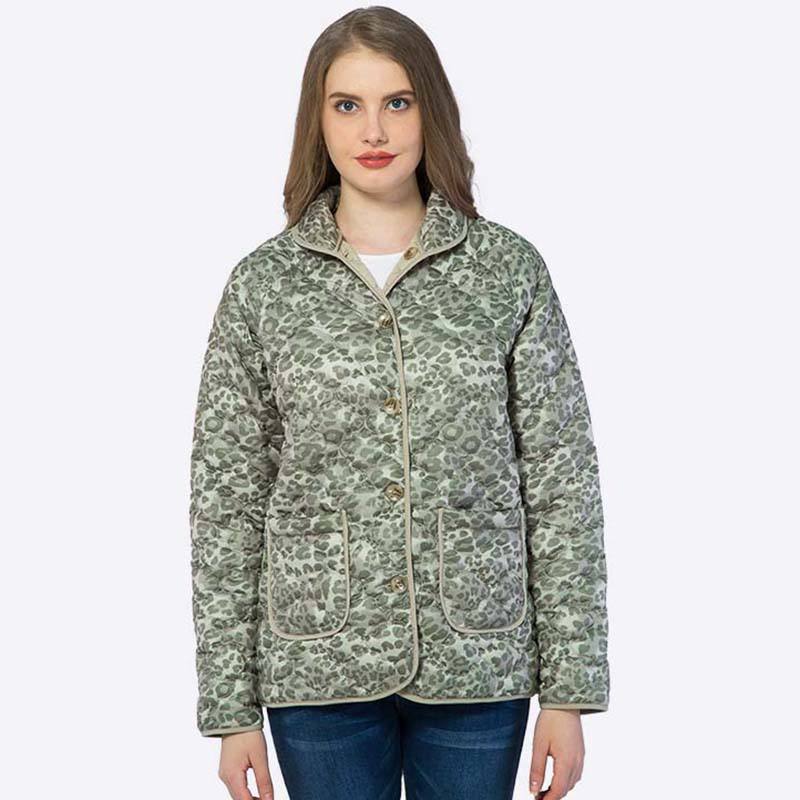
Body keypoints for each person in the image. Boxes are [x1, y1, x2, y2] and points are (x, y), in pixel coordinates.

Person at [189, 7, 610, 800]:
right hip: (316, 664)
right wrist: (230, 708)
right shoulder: (263, 285)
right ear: (318, 120)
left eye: (398, 102)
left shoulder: (506, 270)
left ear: (431, 113)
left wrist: (569, 691)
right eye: (347, 104)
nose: (373, 129)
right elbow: (227, 503)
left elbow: (561, 484)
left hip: (478, 658)